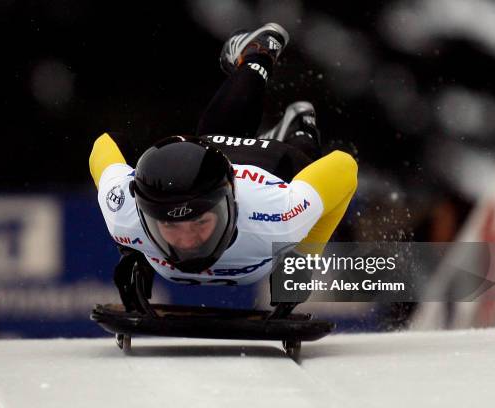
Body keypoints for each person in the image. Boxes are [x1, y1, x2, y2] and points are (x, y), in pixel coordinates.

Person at [89, 23, 358, 311]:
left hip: (268, 166)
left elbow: (343, 168)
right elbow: (105, 143)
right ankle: (262, 73)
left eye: (201, 222)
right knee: (212, 142)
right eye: (170, 225)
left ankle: (263, 62)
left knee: (294, 160)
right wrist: (130, 251)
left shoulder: (279, 212)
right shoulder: (124, 211)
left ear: (229, 204)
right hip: (216, 154)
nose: (188, 240)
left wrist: (303, 258)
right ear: (146, 216)